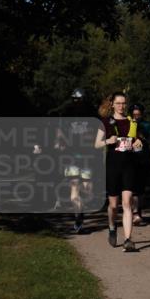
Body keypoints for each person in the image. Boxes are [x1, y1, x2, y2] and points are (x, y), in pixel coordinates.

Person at [94, 92, 144, 252]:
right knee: (113, 205)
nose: (122, 106)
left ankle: (128, 239)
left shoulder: (132, 122)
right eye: (118, 103)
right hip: (113, 166)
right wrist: (108, 141)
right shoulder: (106, 122)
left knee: (127, 202)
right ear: (113, 105)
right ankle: (111, 227)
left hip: (129, 166)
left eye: (124, 103)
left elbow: (137, 141)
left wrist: (138, 145)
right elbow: (96, 144)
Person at [52, 87, 98, 234]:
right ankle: (78, 217)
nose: (77, 102)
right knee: (74, 189)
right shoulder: (67, 113)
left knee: (87, 190)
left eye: (79, 100)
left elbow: (99, 131)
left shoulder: (91, 113)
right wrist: (59, 141)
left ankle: (81, 210)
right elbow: (60, 130)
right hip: (72, 156)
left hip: (88, 156)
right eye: (75, 99)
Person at [129, 103, 150, 225]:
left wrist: (143, 138)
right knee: (132, 187)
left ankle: (138, 212)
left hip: (143, 158)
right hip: (130, 158)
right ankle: (133, 212)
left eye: (138, 114)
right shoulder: (127, 123)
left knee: (141, 188)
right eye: (134, 114)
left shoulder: (147, 125)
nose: (136, 116)